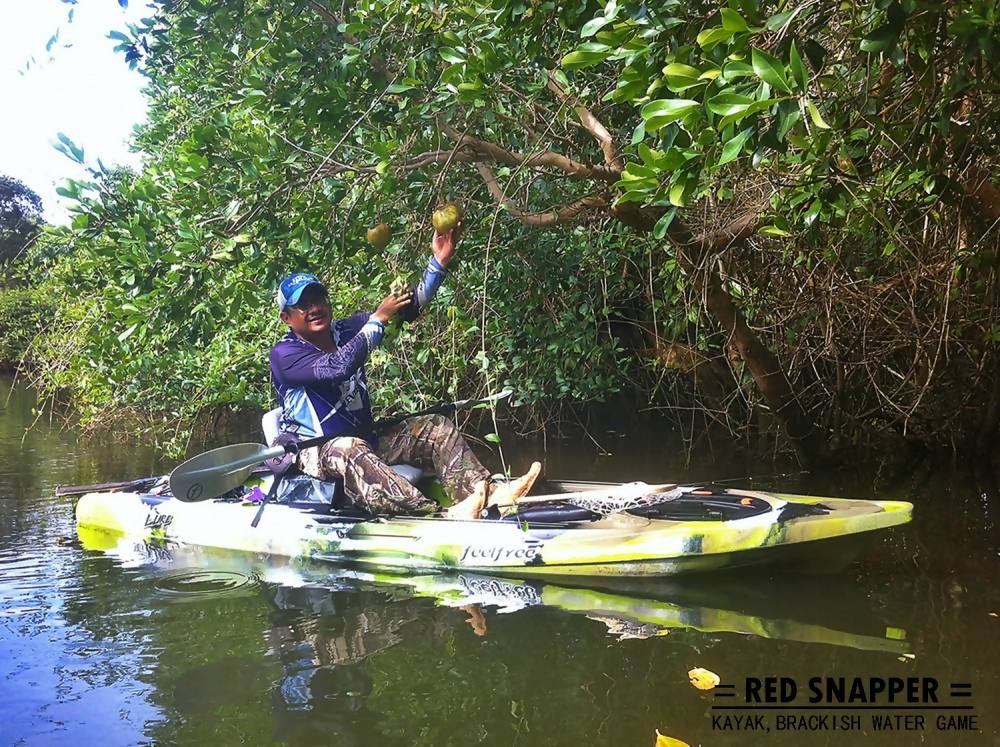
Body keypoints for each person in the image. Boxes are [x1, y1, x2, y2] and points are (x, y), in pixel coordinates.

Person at [268, 222, 541, 520]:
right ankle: (436, 516)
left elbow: (408, 309)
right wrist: (378, 318)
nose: (314, 308)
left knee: (433, 428)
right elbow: (338, 367)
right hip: (316, 451)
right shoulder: (285, 354)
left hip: (366, 440)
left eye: (318, 299)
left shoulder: (346, 328)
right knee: (349, 448)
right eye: (302, 305)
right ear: (287, 317)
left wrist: (439, 262)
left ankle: (485, 494)